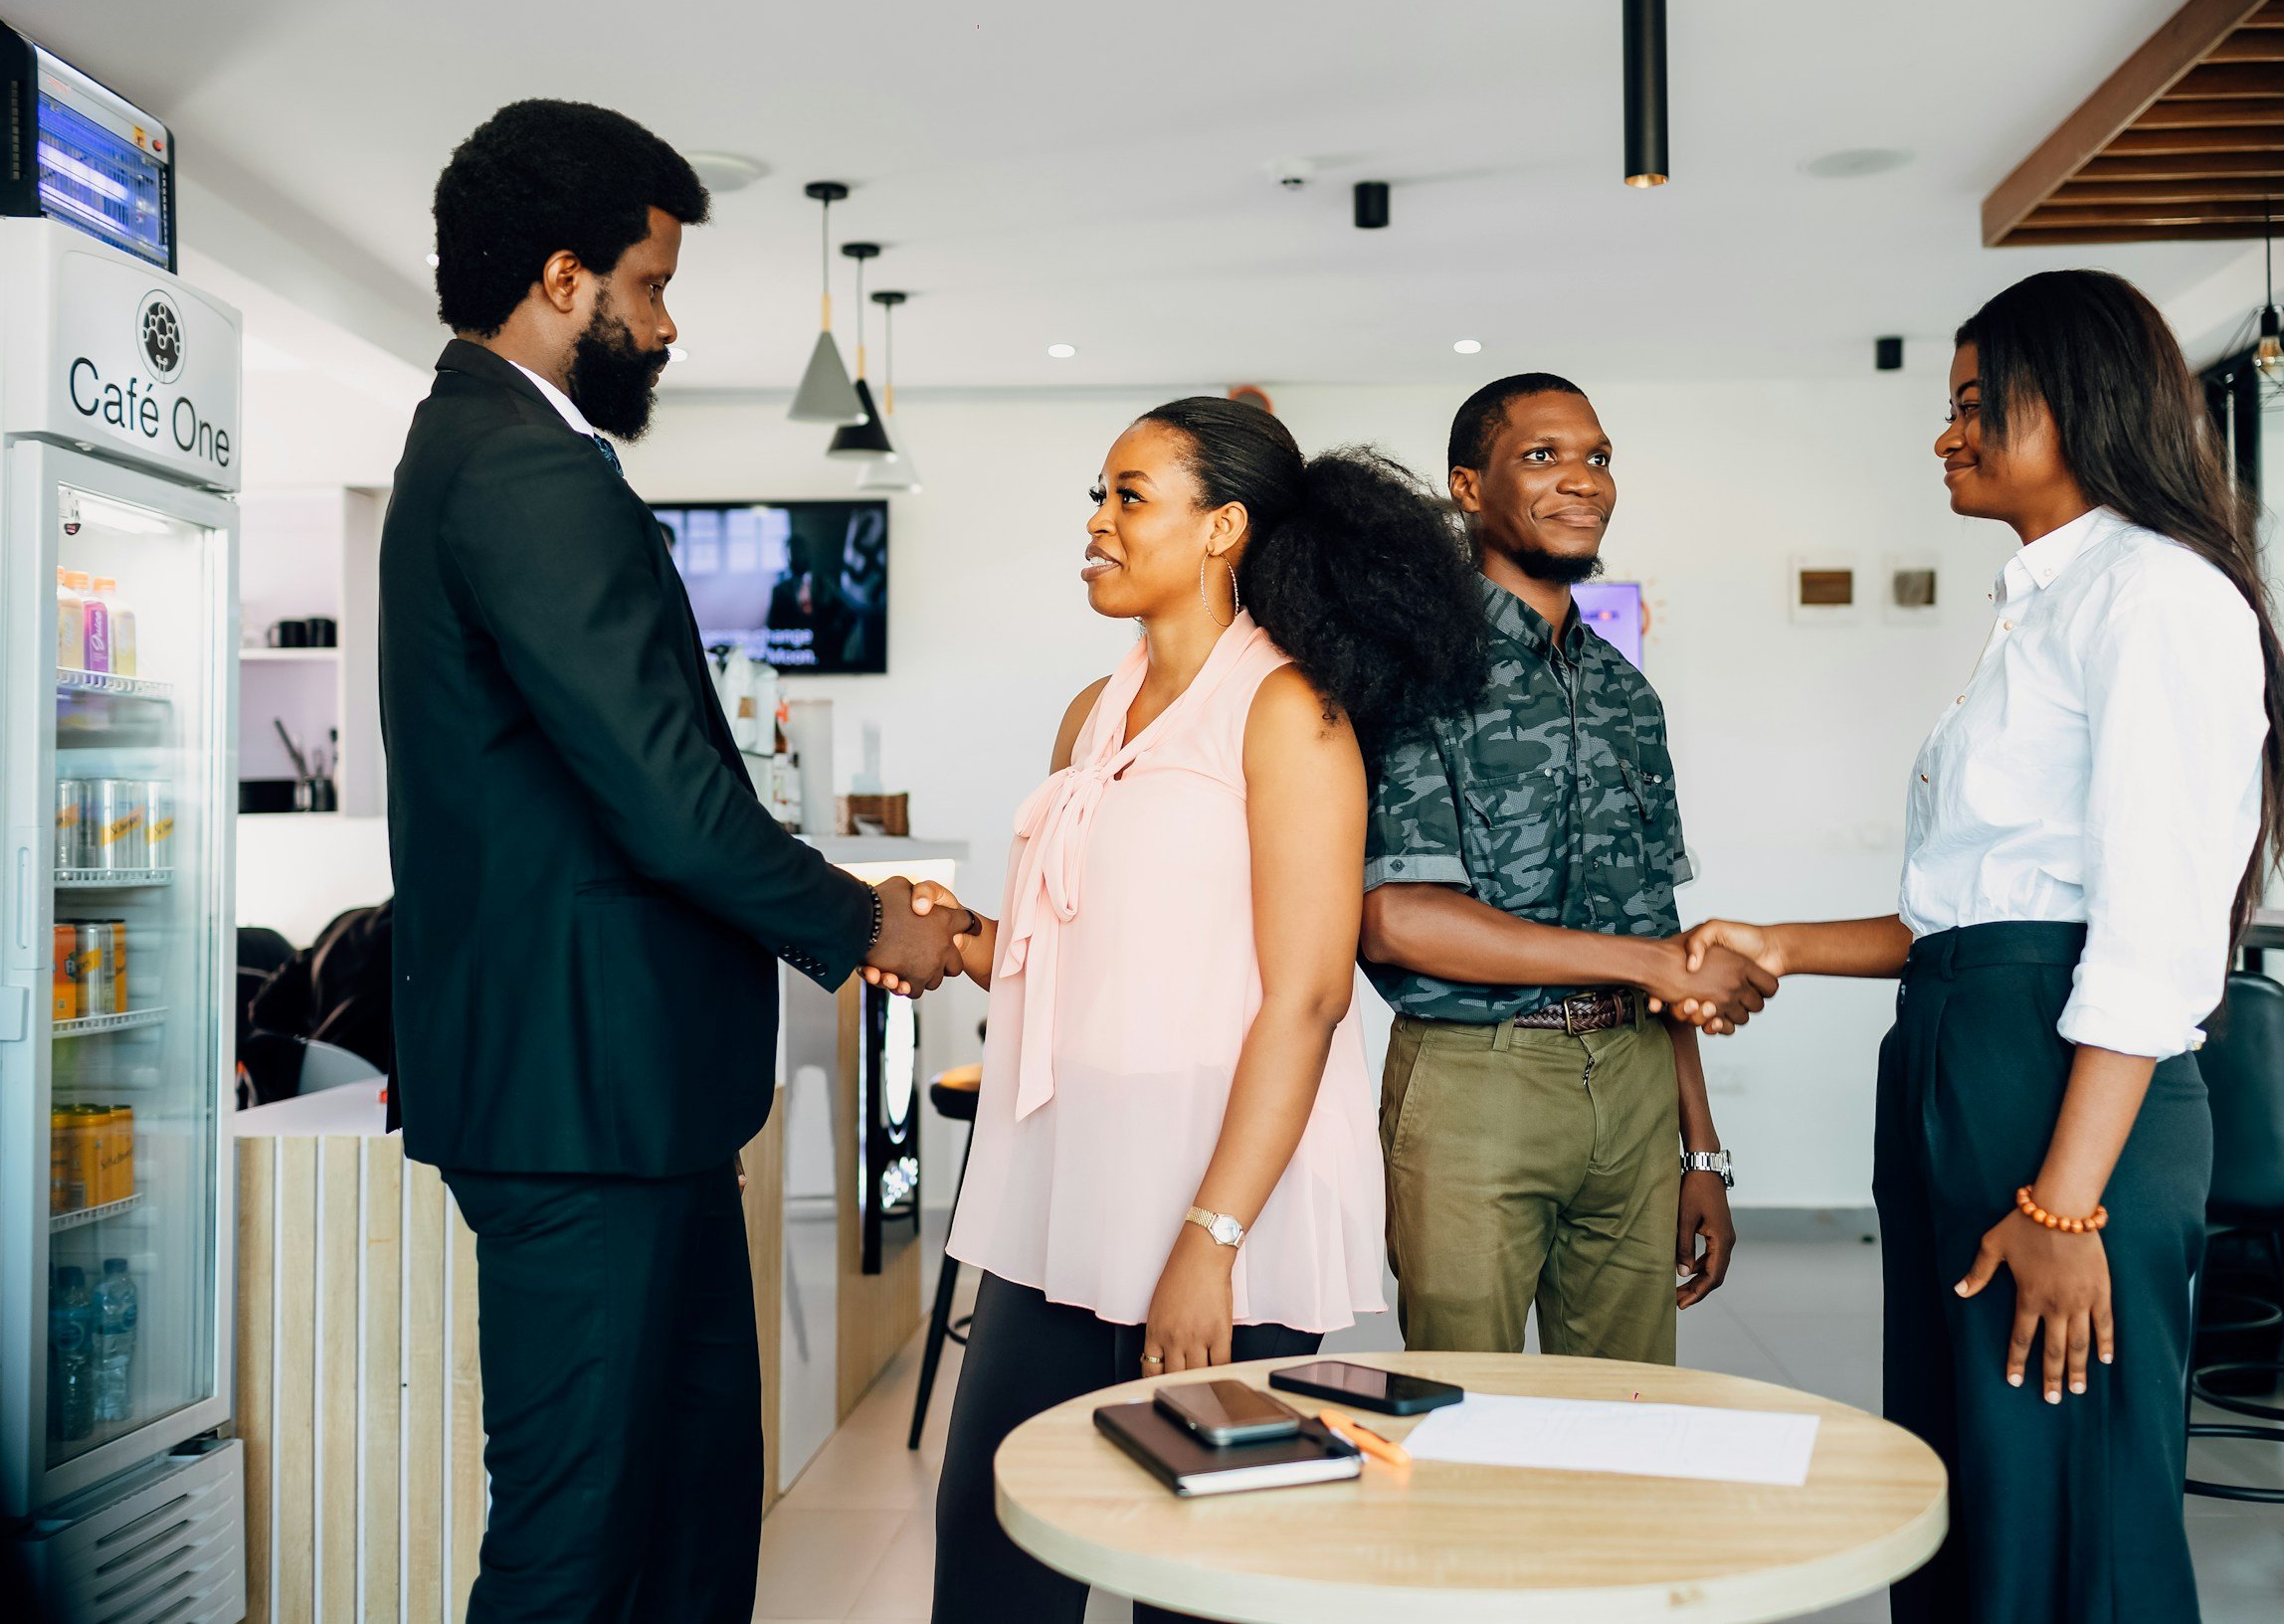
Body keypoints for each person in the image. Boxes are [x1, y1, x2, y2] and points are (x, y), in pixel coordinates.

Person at [378, 100, 967, 1624]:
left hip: (628, 1103)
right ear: (563, 279)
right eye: (649, 285)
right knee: (579, 1541)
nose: (666, 320)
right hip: (583, 1107)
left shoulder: (499, 450)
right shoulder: (521, 470)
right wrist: (862, 923)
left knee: (696, 1505)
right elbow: (668, 800)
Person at [1684, 270, 2284, 1624]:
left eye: (1975, 405)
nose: (1947, 435)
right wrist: (1778, 940)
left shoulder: (2154, 596)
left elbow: (2147, 934)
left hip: (2061, 1087)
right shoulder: (2040, 608)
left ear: (2076, 406)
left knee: (2071, 1504)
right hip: (1972, 1059)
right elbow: (1965, 910)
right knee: (1966, 1482)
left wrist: (2066, 1200)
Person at [886, 397, 1490, 1624]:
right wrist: (959, 941)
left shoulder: (1286, 712)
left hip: (1221, 1201)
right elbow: (1084, 951)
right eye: (1096, 496)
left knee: (1204, 1577)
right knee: (997, 1542)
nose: (1096, 524)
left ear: (1222, 527)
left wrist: (1211, 1236)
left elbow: (1310, 993)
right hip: (1059, 1188)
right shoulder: (1089, 713)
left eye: (1127, 495)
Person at [1356, 373, 1773, 1366]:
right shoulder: (1410, 668)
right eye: (1543, 455)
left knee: (1629, 1406)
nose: (1581, 479)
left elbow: (1657, 931)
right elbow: (1399, 919)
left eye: (1597, 456)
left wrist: (1699, 1148)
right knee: (1468, 1405)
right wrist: (1651, 967)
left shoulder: (1625, 691)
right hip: (1473, 1080)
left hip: (1632, 1079)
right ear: (1467, 485)